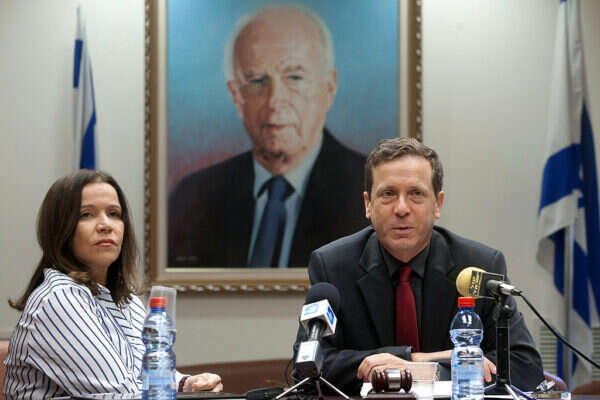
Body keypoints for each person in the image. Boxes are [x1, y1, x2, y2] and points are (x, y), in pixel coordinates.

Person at [292, 138, 544, 394]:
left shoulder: (478, 265)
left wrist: (418, 366)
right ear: (368, 204)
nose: (402, 208)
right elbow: (307, 368)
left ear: (438, 204)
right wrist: (411, 358)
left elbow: (524, 367)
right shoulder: (333, 266)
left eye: (416, 194)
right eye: (388, 194)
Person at [168, 5, 368, 268]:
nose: (275, 101)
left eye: (294, 78)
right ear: (236, 96)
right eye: (257, 81)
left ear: (328, 89)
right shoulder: (194, 197)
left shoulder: (369, 193)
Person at [3, 170, 222, 399]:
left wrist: (187, 384)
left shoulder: (126, 299)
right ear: (60, 229)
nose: (105, 225)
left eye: (114, 213)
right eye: (86, 214)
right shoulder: (59, 298)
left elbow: (148, 373)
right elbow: (120, 393)